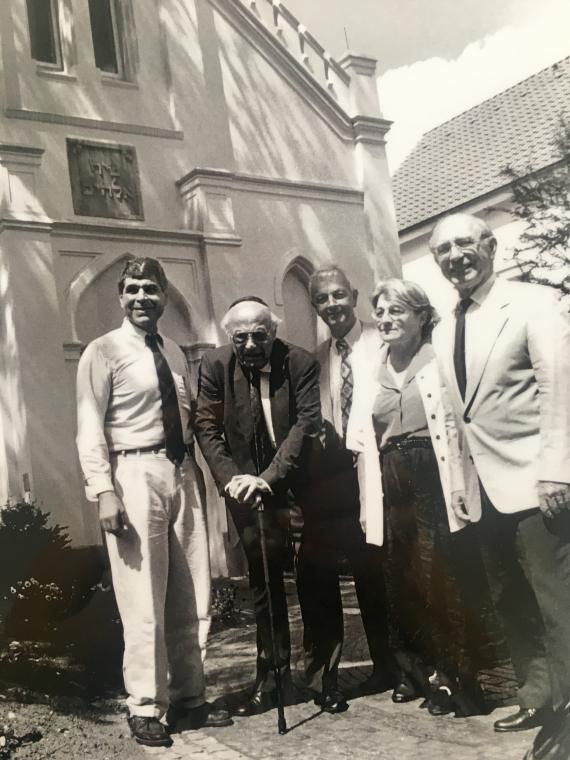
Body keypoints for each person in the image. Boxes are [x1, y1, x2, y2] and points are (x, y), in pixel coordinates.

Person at [76, 257, 231, 748]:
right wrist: (103, 490)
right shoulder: (102, 351)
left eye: (152, 289)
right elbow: (88, 427)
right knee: (143, 597)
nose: (143, 297)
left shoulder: (174, 351)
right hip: (134, 473)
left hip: (181, 472)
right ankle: (145, 704)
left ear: (165, 297)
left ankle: (190, 696)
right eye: (133, 289)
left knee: (191, 595)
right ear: (121, 296)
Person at [430, 212, 570, 732]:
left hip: (538, 483)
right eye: (443, 250)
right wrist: (461, 488)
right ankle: (538, 696)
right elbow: (456, 416)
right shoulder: (446, 328)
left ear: (490, 246)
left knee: (556, 598)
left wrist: (556, 472)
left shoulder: (532, 303)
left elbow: (560, 390)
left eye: (465, 244)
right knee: (510, 597)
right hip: (485, 491)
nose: (454, 257)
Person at [346, 277, 488, 717]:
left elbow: (462, 426)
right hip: (388, 477)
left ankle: (457, 679)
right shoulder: (370, 362)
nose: (386, 320)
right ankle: (414, 672)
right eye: (382, 312)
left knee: (440, 576)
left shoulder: (440, 355)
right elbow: (360, 437)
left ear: (422, 316)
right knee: (399, 578)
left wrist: (465, 485)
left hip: (434, 473)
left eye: (397, 311)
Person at [194, 296, 322, 716]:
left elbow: (306, 424)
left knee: (313, 578)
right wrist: (234, 479)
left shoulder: (299, 362)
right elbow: (207, 427)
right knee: (264, 585)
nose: (250, 345)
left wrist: (267, 479)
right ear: (230, 337)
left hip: (297, 482)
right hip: (243, 489)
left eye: (260, 336)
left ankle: (324, 677)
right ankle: (272, 681)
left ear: (274, 331)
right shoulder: (215, 366)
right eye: (241, 337)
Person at [297, 266, 394, 712]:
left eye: (339, 295)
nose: (332, 305)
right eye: (322, 299)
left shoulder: (385, 341)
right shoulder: (316, 359)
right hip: (338, 482)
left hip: (384, 470)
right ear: (314, 305)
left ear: (353, 295)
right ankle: (358, 668)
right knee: (349, 569)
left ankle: (396, 664)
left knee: (383, 572)